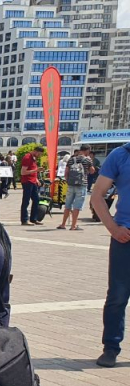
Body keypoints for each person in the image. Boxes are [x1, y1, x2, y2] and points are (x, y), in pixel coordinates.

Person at [90, 141, 130, 368]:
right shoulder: (121, 155)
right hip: (125, 238)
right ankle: (111, 347)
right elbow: (97, 196)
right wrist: (114, 228)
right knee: (117, 296)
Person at [58, 145, 95, 231]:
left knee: (67, 205)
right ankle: (73, 225)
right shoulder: (88, 159)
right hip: (82, 184)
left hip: (71, 185)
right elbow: (92, 171)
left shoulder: (71, 159)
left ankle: (63, 224)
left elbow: (66, 172)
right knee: (77, 206)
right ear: (87, 150)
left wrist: (68, 181)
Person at [20, 145, 45, 226]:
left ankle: (34, 218)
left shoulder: (34, 158)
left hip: (33, 181)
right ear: (36, 151)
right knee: (26, 200)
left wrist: (36, 179)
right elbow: (23, 172)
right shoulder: (27, 158)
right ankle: (24, 220)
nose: (40, 156)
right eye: (39, 154)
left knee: (36, 199)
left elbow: (32, 170)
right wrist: (36, 170)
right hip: (27, 181)